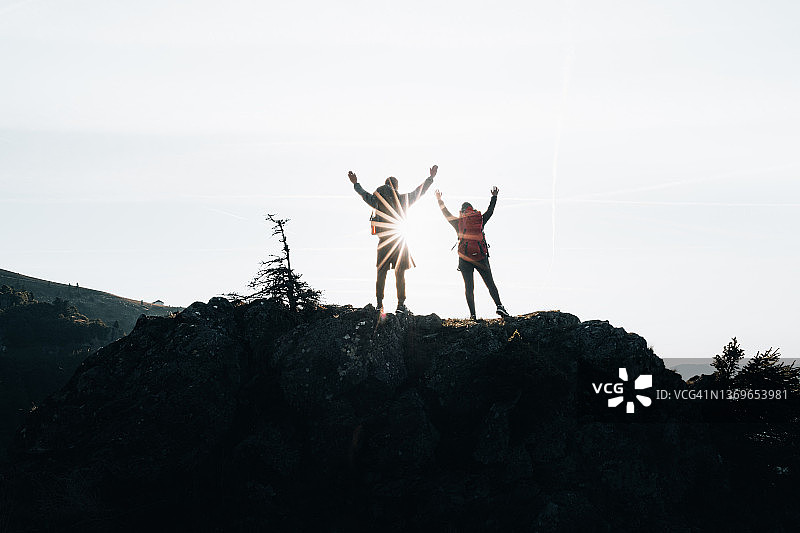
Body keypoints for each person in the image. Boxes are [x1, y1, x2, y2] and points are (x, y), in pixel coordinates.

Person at [348, 165, 437, 314]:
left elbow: (363, 194)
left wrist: (355, 183)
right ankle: (400, 305)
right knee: (399, 272)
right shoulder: (403, 199)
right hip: (399, 240)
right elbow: (419, 192)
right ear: (396, 186)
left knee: (381, 272)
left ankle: (379, 304)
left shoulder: (377, 200)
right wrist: (430, 178)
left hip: (383, 241)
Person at [435, 186, 510, 319]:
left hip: (465, 259)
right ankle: (499, 306)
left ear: (462, 211)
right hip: (481, 257)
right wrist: (494, 197)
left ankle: (473, 315)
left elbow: (445, 213)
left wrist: (439, 200)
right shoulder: (479, 219)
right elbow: (490, 211)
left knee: (469, 287)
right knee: (490, 283)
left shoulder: (459, 222)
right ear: (472, 209)